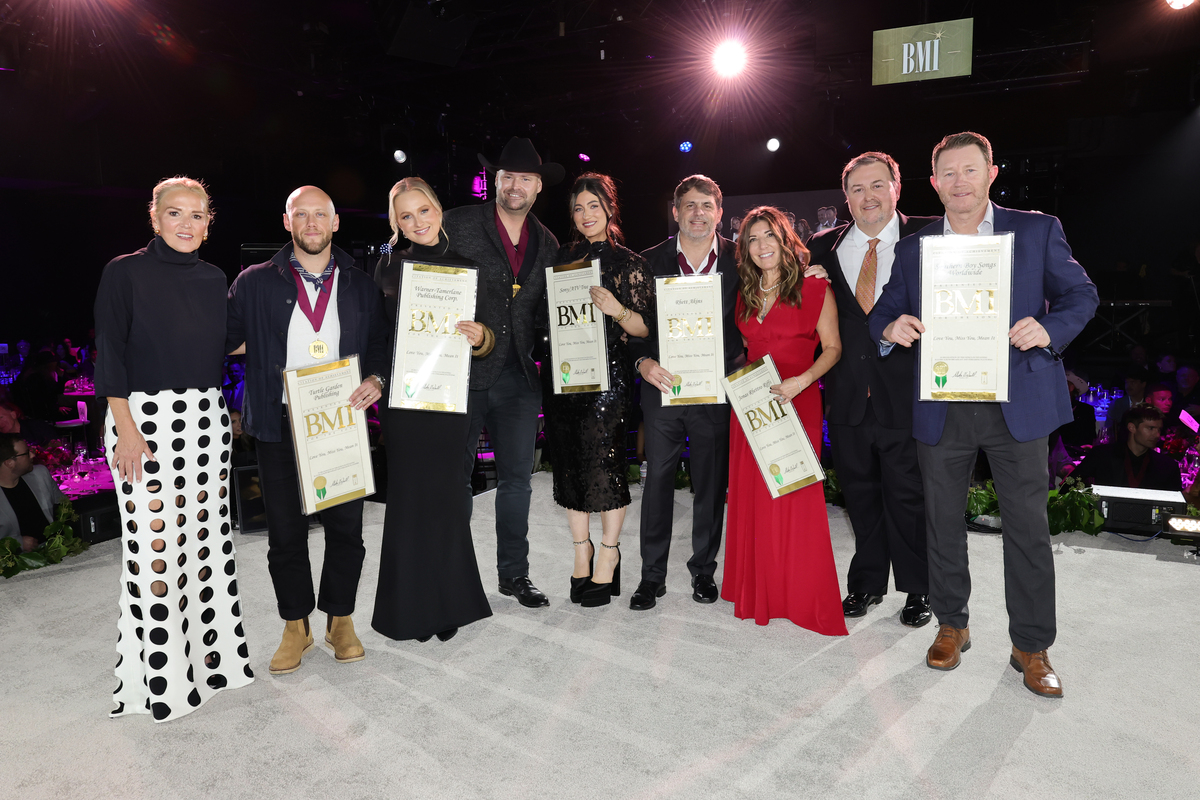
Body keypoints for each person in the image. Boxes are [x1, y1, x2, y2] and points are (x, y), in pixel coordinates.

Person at [869, 131, 1099, 698]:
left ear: (991, 173)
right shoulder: (915, 247)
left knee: (1028, 528)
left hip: (1017, 402)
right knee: (942, 522)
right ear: (934, 183)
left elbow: (1082, 296)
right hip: (944, 402)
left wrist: (1049, 330)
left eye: (970, 170)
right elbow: (885, 313)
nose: (960, 182)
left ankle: (1031, 645)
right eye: (948, 173)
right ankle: (953, 625)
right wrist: (890, 328)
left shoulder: (1036, 229)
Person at [94, 176, 254, 722]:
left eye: (198, 214)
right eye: (175, 213)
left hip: (205, 423)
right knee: (154, 549)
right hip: (143, 421)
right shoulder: (124, 272)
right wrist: (127, 426)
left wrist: (301, 324)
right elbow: (109, 351)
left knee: (207, 547)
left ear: (210, 223)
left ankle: (212, 667)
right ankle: (157, 680)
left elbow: (230, 341)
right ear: (155, 216)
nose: (187, 223)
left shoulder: (215, 279)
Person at [226, 185, 388, 674]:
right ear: (287, 221)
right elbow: (226, 339)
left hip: (339, 421)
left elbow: (380, 345)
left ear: (336, 223)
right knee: (285, 533)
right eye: (303, 215)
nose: (312, 223)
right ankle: (295, 625)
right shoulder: (254, 281)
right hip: (279, 422)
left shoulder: (360, 284)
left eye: (321, 215)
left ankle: (340, 620)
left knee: (346, 530)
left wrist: (378, 378)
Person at [805, 151, 938, 627]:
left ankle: (919, 590)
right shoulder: (821, 247)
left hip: (907, 394)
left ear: (897, 188)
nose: (868, 197)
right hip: (846, 398)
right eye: (857, 189)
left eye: (878, 185)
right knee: (858, 497)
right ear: (846, 197)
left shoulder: (930, 236)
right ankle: (865, 584)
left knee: (908, 497)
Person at [371, 177, 494, 641]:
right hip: (404, 404)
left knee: (446, 502)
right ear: (396, 223)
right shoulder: (385, 268)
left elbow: (488, 334)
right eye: (406, 215)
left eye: (423, 210)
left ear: (438, 210)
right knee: (407, 503)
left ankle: (448, 606)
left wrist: (481, 338)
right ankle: (410, 611)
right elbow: (378, 340)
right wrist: (380, 382)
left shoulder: (467, 267)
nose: (417, 221)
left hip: (448, 400)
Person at [443, 137, 563, 608]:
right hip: (461, 373)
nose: (515, 185)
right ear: (495, 180)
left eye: (525, 179)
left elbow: (545, 311)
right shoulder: (456, 223)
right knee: (456, 480)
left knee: (517, 481)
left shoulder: (548, 242)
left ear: (537, 187)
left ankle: (515, 575)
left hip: (518, 377)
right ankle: (453, 578)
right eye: (507, 176)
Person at [721, 206, 847, 635]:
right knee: (755, 498)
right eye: (752, 239)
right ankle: (759, 588)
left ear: (784, 239)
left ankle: (796, 593)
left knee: (793, 498)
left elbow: (832, 349)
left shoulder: (815, 289)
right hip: (754, 410)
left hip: (798, 401)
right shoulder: (744, 292)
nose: (761, 246)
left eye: (768, 237)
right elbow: (746, 347)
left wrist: (802, 380)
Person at [627, 174, 745, 610]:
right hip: (663, 390)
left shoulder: (740, 258)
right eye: (690, 206)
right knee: (656, 481)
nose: (699, 213)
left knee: (710, 485)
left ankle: (703, 572)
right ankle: (650, 577)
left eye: (707, 205)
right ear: (675, 213)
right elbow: (634, 329)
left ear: (719, 212)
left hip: (716, 391)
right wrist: (644, 362)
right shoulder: (647, 261)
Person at [544, 173, 654, 607]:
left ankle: (608, 552)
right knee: (569, 463)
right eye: (577, 208)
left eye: (593, 205)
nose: (586, 214)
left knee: (604, 464)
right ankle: (581, 551)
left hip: (608, 378)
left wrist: (617, 308)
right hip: (564, 376)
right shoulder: (561, 259)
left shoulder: (630, 262)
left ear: (609, 208)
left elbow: (645, 328)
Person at [1069, 406, 1181, 491]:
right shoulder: (1102, 455)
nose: (1157, 435)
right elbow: (1069, 486)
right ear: (1131, 427)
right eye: (1151, 428)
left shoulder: (1167, 466)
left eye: (1158, 430)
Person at [0, 434, 65, 553]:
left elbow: (65, 507)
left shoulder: (40, 474)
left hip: (56, 551)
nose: (32, 455)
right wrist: (18, 543)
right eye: (26, 453)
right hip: (17, 564)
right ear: (9, 463)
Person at [1105, 366, 1149, 437]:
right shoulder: (1117, 404)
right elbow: (1109, 431)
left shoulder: (1149, 404)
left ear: (1143, 384)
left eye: (1133, 382)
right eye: (1127, 382)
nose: (1128, 386)